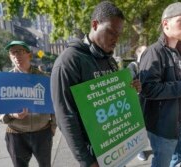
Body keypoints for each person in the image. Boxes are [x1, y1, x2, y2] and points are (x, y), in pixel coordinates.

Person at [50, 1, 141, 167]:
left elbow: (116, 97)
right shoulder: (68, 62)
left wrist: (130, 90)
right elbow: (65, 117)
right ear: (94, 24)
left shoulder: (111, 60)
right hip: (94, 155)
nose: (116, 39)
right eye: (111, 32)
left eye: (119, 34)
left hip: (117, 147)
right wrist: (87, 161)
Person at [139, 2, 181, 167]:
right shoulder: (154, 52)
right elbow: (148, 89)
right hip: (163, 129)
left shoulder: (179, 53)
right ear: (165, 23)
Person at [0, 40, 57, 167]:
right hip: (16, 134)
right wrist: (11, 115)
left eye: (20, 51)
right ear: (10, 57)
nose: (17, 56)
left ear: (29, 55)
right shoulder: (4, 81)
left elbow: (55, 103)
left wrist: (54, 126)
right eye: (13, 53)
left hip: (42, 132)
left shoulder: (45, 78)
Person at [127, 45, 147, 161]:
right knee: (139, 128)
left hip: (147, 104)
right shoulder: (133, 66)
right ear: (138, 54)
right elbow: (130, 84)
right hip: (137, 104)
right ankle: (140, 151)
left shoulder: (150, 65)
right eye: (144, 52)